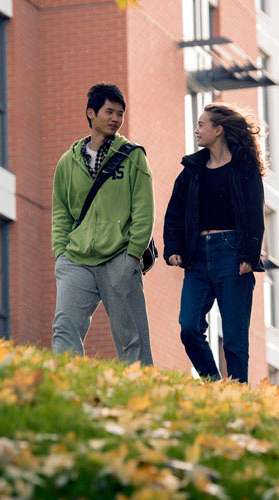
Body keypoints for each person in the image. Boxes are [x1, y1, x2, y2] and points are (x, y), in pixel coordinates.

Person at [50, 83, 155, 365]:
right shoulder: (67, 162)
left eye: (120, 113)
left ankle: (143, 391)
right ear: (91, 113)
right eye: (109, 111)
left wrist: (132, 254)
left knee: (131, 336)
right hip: (76, 259)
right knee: (64, 327)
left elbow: (144, 211)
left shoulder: (133, 156)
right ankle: (66, 383)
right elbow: (61, 212)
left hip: (119, 257)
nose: (116, 118)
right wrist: (61, 253)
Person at [163, 103, 265, 384]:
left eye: (201, 124)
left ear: (218, 130)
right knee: (189, 327)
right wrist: (173, 249)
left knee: (234, 339)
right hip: (198, 257)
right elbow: (175, 212)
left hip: (233, 255)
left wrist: (249, 254)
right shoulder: (192, 170)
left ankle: (238, 395)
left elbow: (255, 214)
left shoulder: (245, 169)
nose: (197, 130)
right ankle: (214, 384)